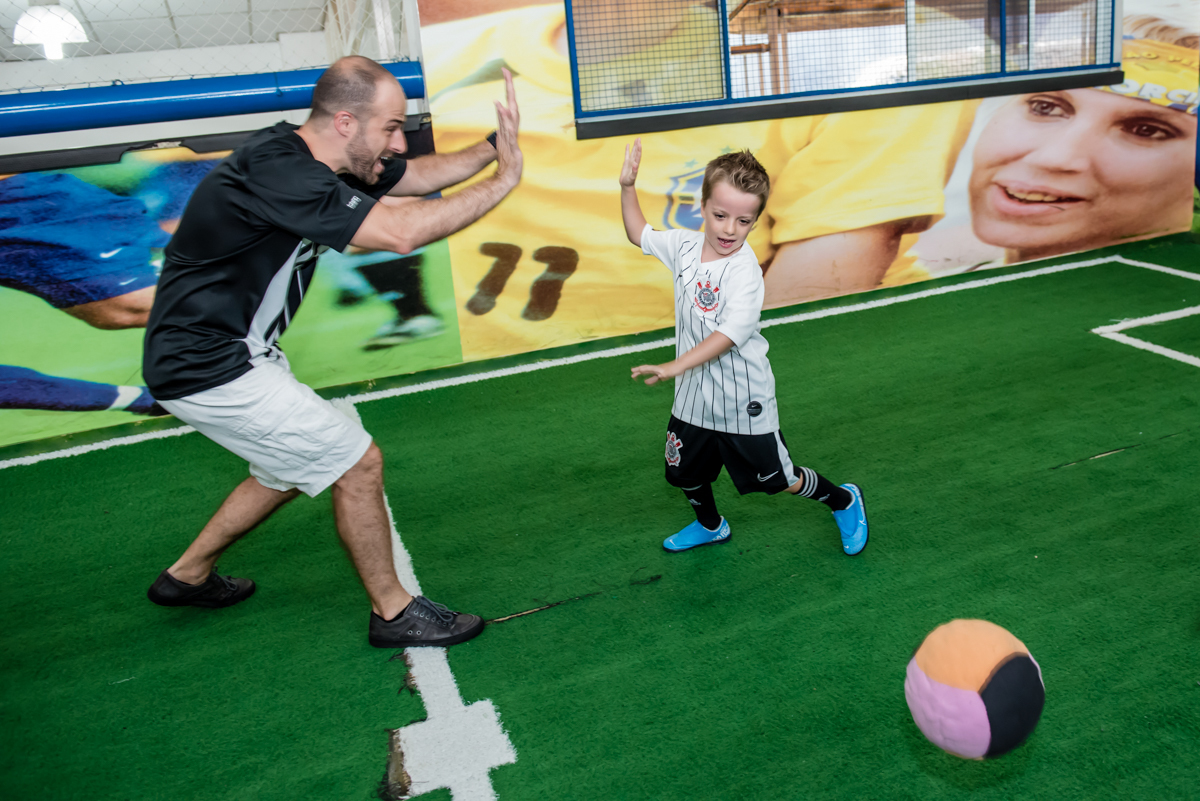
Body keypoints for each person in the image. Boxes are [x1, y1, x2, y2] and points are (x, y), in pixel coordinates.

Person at [141, 56, 523, 649]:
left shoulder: (322, 158)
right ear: (346, 122)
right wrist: (504, 182)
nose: (398, 143)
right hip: (207, 364)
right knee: (355, 460)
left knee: (291, 462)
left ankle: (186, 576)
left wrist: (494, 146)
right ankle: (394, 613)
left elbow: (416, 179)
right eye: (391, 127)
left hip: (233, 354)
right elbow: (402, 232)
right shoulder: (280, 173)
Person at [618, 140, 869, 554]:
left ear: (755, 221)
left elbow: (727, 336)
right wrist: (628, 186)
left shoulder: (745, 273)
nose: (729, 229)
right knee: (684, 473)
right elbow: (638, 233)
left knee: (778, 481)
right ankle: (711, 525)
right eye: (720, 216)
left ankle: (844, 501)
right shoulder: (682, 246)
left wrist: (674, 365)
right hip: (693, 398)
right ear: (702, 207)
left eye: (743, 221)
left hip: (742, 400)